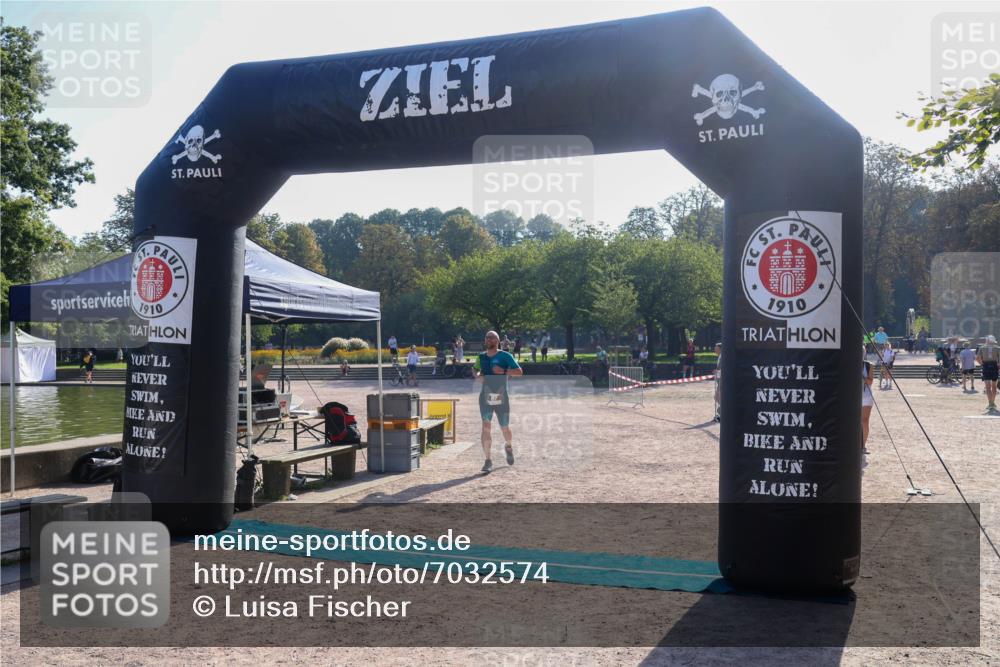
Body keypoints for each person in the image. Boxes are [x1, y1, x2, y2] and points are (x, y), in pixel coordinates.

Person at [475, 330, 523, 474]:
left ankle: (508, 446)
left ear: (498, 341)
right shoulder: (481, 357)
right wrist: (478, 376)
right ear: (485, 341)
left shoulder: (505, 356)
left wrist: (503, 371)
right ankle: (488, 460)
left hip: (501, 397)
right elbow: (476, 370)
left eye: (492, 338)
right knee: (486, 426)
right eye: (487, 337)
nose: (489, 340)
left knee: (504, 427)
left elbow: (519, 372)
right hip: (485, 396)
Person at [976, 335, 999, 412]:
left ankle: (990, 403)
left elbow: (977, 358)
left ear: (987, 340)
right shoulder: (997, 348)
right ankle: (992, 402)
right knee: (994, 386)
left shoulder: (982, 348)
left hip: (986, 366)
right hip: (994, 366)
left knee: (988, 386)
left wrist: (982, 364)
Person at [861, 346, 874, 471]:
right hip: (852, 396)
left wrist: (862, 377)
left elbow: (870, 382)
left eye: (862, 351)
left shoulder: (869, 365)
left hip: (866, 396)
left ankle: (863, 445)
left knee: (864, 421)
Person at [713, 342, 722, 422]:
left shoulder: (723, 357)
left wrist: (717, 371)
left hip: (723, 381)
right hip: (720, 380)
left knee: (718, 397)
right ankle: (720, 414)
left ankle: (721, 414)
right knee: (717, 397)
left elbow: (723, 369)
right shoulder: (719, 357)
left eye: (716, 348)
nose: (714, 350)